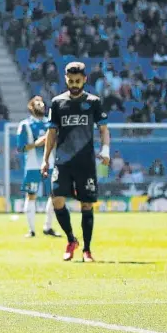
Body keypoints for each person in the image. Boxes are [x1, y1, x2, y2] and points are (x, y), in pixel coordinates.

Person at [41, 62, 110, 262]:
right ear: (65, 79)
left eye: (78, 81)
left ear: (84, 80)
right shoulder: (57, 103)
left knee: (87, 205)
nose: (74, 85)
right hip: (62, 161)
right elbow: (51, 132)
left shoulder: (94, 102)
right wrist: (45, 160)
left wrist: (105, 150)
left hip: (85, 162)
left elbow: (104, 129)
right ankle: (72, 240)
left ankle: (87, 250)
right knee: (57, 200)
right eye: (71, 81)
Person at [16, 96, 61, 238]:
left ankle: (48, 227)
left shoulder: (50, 124)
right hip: (33, 166)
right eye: (37, 103)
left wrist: (51, 142)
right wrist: (37, 143)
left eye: (42, 103)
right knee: (31, 196)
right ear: (31, 107)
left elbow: (59, 142)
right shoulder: (25, 125)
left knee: (54, 195)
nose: (41, 105)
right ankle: (32, 230)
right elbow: (20, 148)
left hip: (50, 164)